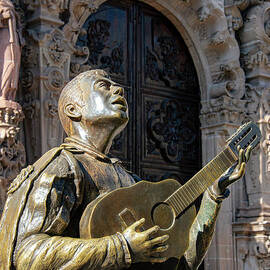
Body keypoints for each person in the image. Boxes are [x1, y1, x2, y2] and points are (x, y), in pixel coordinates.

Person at [0, 69, 250, 270]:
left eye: (115, 86)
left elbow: (180, 263)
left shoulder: (130, 180)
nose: (119, 89)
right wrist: (121, 248)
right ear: (73, 110)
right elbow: (26, 254)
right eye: (103, 86)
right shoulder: (62, 167)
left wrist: (212, 196)